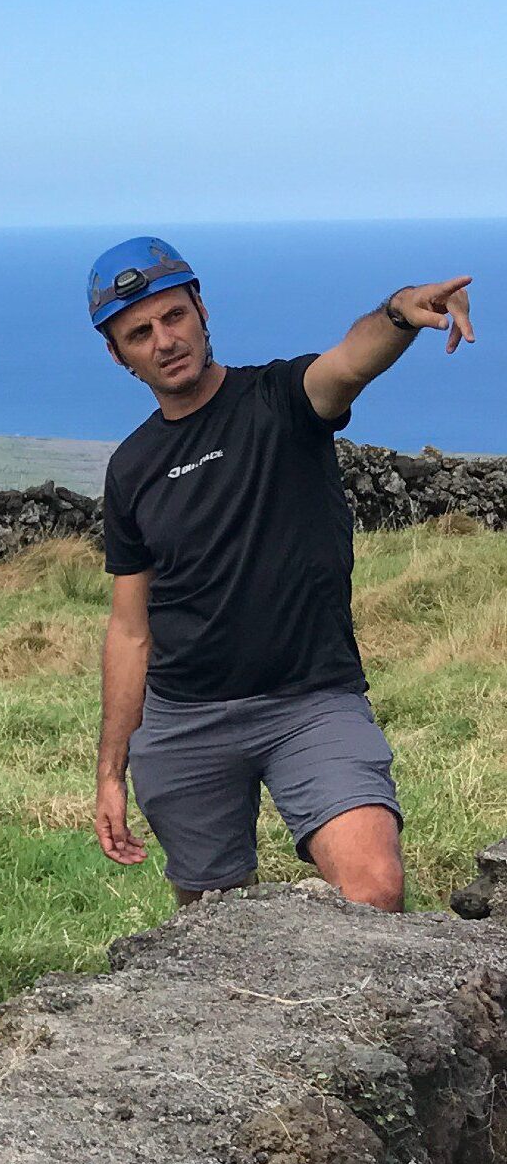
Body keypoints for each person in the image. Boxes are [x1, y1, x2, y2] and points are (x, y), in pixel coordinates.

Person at [89, 237, 477, 909]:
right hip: (183, 722)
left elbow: (349, 363)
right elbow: (130, 630)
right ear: (118, 354)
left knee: (373, 890)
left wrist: (396, 313)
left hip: (310, 701)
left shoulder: (281, 400)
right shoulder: (131, 468)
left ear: (202, 309)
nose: (165, 340)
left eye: (174, 316)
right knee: (212, 929)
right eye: (139, 333)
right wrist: (109, 771)